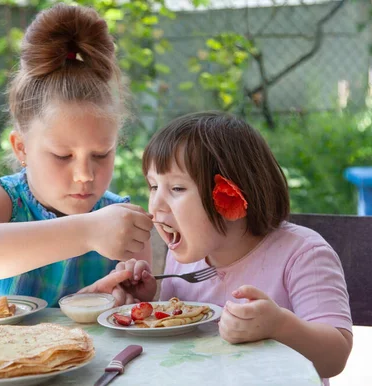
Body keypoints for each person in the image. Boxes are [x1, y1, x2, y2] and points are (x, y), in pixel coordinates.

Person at [85, 112, 352, 382]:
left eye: (177, 188)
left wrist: (279, 326)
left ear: (230, 195)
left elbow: (336, 356)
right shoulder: (184, 258)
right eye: (154, 186)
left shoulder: (303, 255)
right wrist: (151, 301)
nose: (156, 205)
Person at [0, 4, 153, 307]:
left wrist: (131, 296)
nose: (85, 174)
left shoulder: (121, 223)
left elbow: (128, 318)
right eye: (62, 156)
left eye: (100, 154)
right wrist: (89, 231)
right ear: (21, 148)